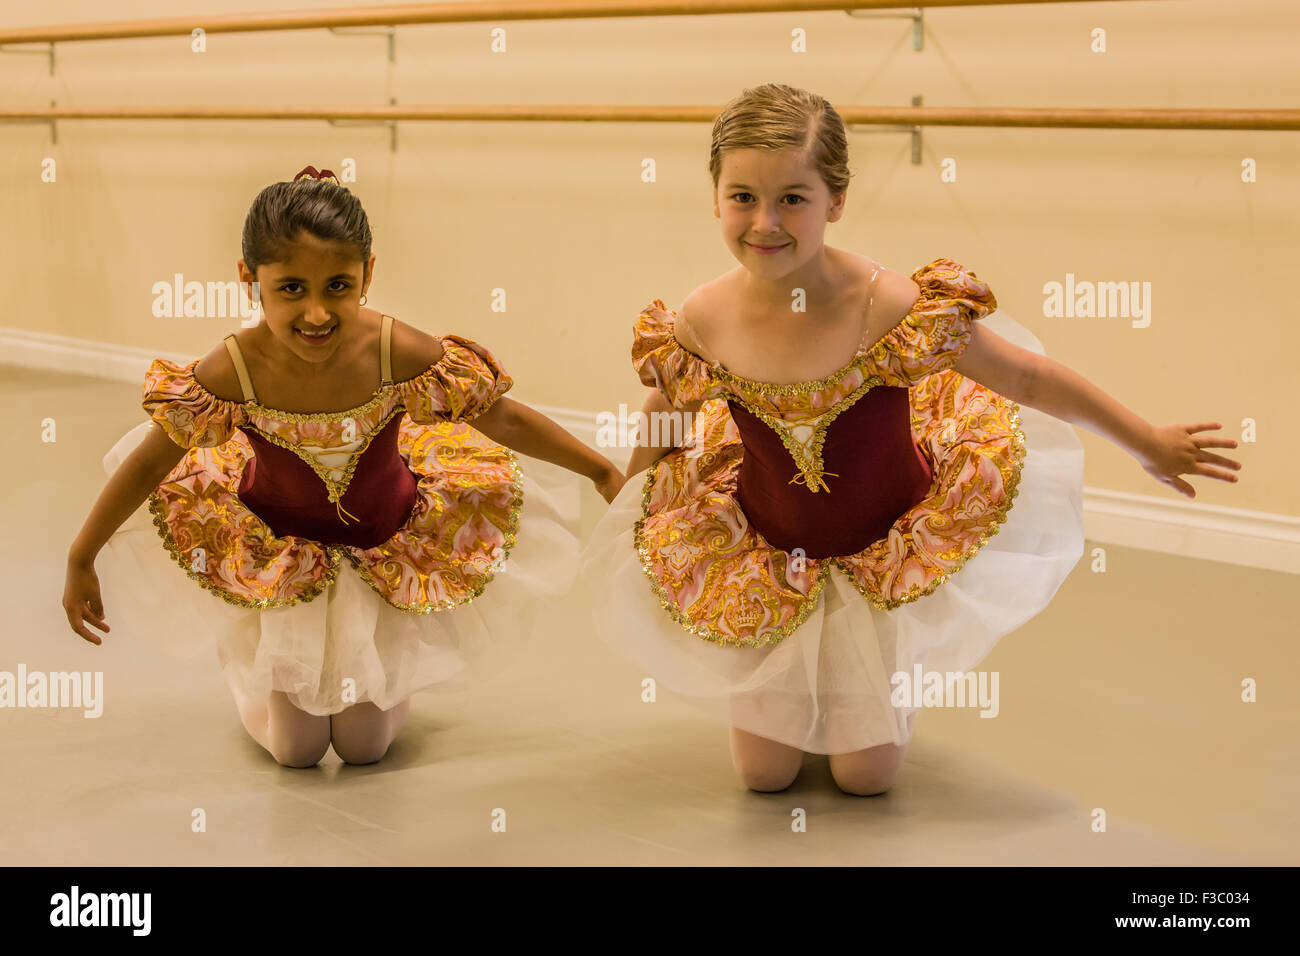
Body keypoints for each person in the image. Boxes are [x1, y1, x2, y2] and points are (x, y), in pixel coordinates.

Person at [581, 83, 1243, 795]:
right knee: (763, 778)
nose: (765, 222)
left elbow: (1026, 376)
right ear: (715, 197)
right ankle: (791, 676)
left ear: (835, 201)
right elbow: (666, 400)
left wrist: (1144, 439)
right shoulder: (704, 315)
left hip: (883, 543)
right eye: (742, 196)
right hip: (769, 545)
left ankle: (875, 678)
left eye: (793, 199)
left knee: (865, 779)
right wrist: (632, 486)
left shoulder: (887, 304)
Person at [63, 165, 626, 769]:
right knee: (296, 751)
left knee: (364, 748)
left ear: (368, 274)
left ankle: (389, 671)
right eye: (290, 289)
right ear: (249, 279)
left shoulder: (395, 350)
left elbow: (503, 419)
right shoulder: (233, 368)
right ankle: (248, 675)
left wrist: (599, 470)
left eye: (337, 285)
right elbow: (151, 463)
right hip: (285, 550)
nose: (315, 313)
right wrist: (81, 555)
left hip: (381, 540)